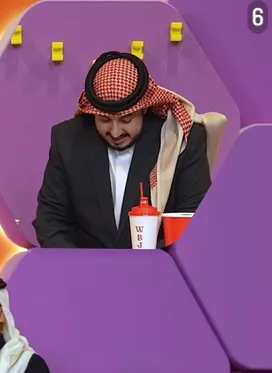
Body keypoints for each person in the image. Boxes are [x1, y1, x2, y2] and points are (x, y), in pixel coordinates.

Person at [34, 51, 226, 249]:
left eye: (126, 120)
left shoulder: (178, 139)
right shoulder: (67, 139)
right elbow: (51, 220)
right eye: (104, 120)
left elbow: (191, 219)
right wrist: (79, 264)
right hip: (85, 264)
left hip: (159, 265)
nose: (115, 132)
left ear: (144, 108)